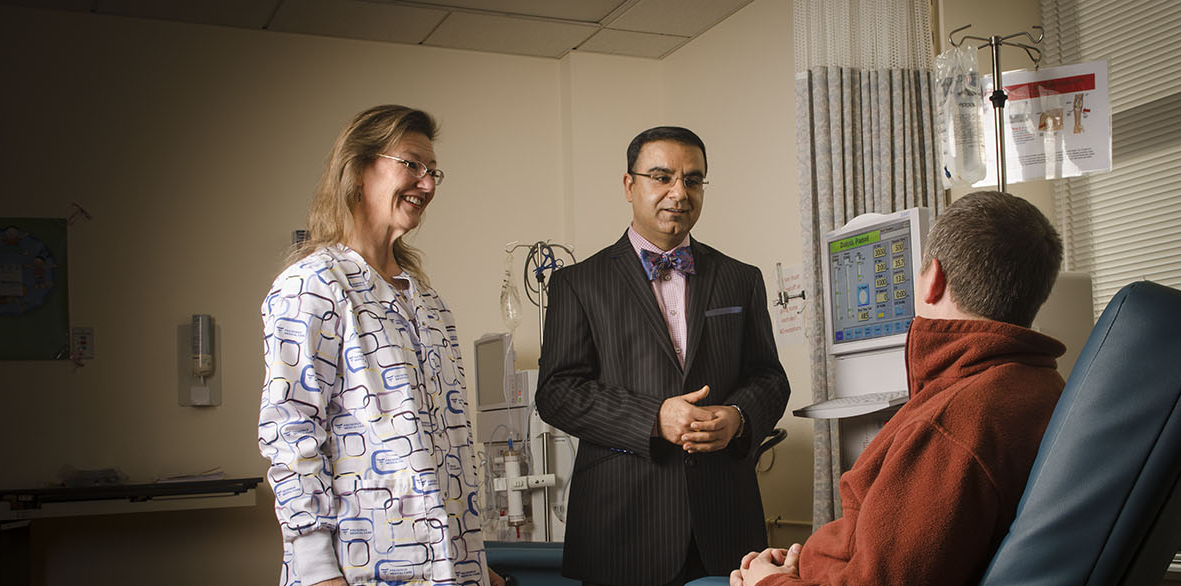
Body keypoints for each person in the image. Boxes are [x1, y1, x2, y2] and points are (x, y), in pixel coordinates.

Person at [731, 191, 1067, 586]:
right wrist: (799, 568)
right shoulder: (1038, 384)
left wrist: (766, 583)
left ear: (934, 278)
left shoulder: (950, 425)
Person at [257, 105, 502, 586]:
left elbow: (441, 449)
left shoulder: (428, 301)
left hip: (449, 569)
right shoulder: (312, 286)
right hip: (356, 570)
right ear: (358, 167)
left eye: (433, 172)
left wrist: (473, 560)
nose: (427, 184)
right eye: (411, 164)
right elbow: (291, 434)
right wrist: (316, 569)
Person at [535, 126, 791, 586]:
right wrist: (654, 417)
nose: (679, 192)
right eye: (662, 177)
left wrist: (737, 416)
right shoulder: (577, 284)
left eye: (693, 180)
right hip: (622, 528)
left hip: (726, 526)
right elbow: (557, 392)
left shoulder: (741, 278)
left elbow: (770, 377)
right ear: (630, 185)